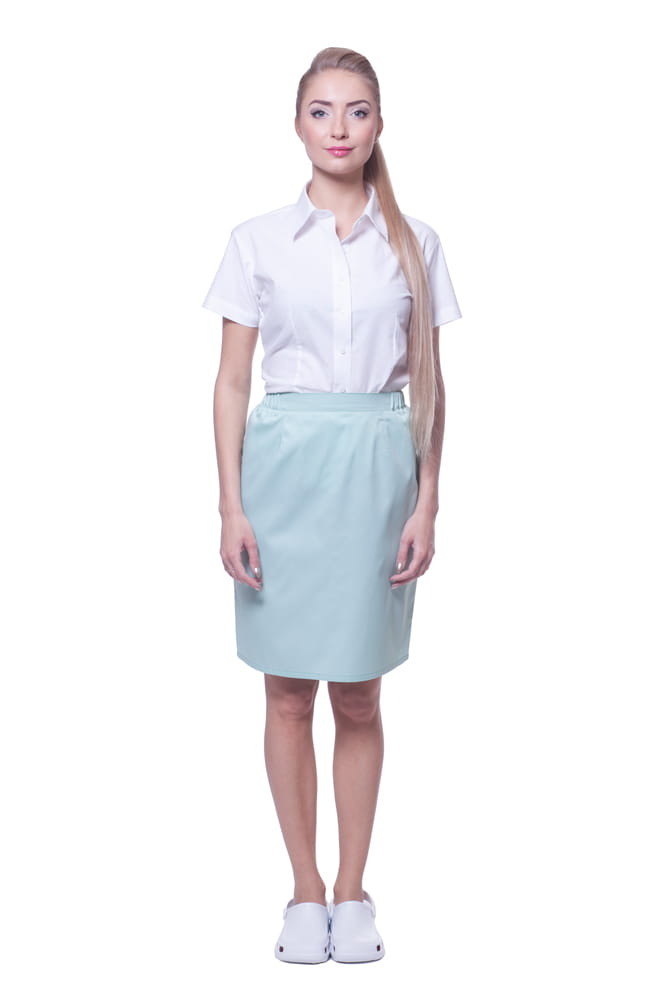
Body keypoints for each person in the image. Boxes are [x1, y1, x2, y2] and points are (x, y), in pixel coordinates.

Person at [202, 46, 462, 964]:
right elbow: (232, 382)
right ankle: (303, 891)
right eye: (321, 110)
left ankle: (352, 892)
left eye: (356, 110)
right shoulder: (257, 241)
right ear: (297, 124)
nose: (339, 128)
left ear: (379, 124)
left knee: (356, 692)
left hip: (376, 470)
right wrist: (230, 506)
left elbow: (430, 381)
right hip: (282, 474)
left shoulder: (414, 241)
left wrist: (428, 501)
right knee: (285, 694)